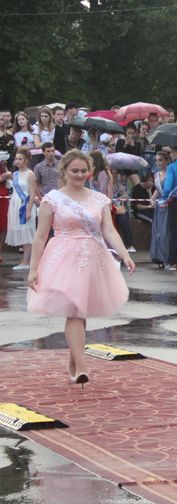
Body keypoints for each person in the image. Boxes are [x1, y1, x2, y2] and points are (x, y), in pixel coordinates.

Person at [27, 150, 134, 386]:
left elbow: (108, 230)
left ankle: (73, 356)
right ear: (64, 171)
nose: (79, 175)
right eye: (74, 170)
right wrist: (33, 269)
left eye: (83, 171)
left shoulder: (99, 199)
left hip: (93, 259)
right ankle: (82, 367)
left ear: (90, 172)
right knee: (74, 310)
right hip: (62, 259)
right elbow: (40, 236)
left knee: (80, 311)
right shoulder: (52, 199)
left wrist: (125, 255)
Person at [6, 147, 37, 270]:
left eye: (20, 159)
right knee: (20, 231)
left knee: (27, 232)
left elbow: (32, 193)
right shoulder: (15, 174)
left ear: (26, 160)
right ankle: (25, 259)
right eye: (16, 159)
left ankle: (26, 262)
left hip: (25, 204)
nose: (17, 161)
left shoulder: (30, 174)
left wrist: (29, 210)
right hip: (15, 203)